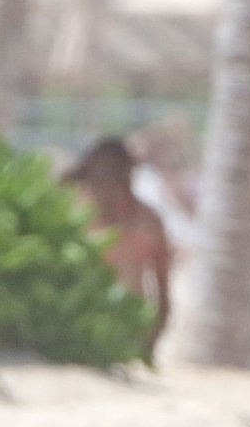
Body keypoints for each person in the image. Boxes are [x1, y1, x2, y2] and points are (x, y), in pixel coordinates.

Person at [65, 137, 172, 354]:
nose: (107, 184)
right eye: (102, 175)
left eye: (114, 174)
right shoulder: (73, 215)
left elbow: (162, 289)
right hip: (78, 327)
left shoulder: (147, 222)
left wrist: (152, 336)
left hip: (128, 331)